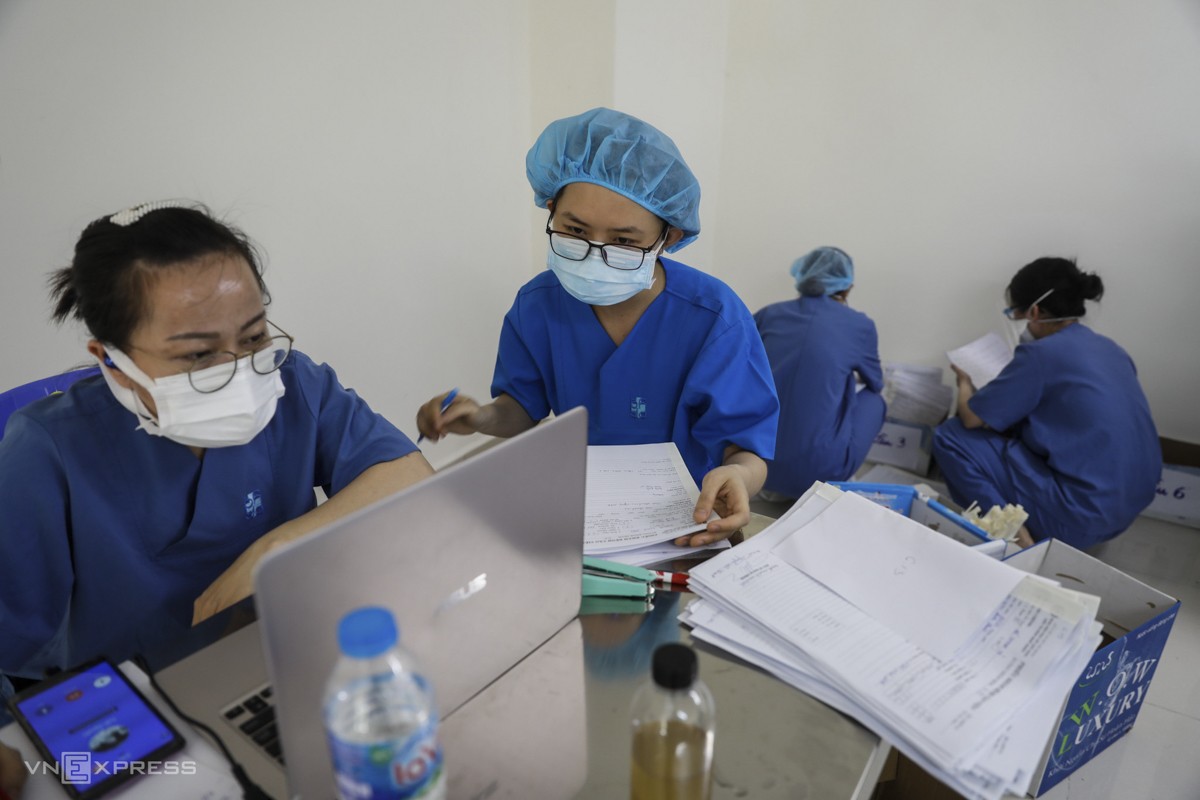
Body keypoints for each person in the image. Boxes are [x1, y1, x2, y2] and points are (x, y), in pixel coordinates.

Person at [0, 202, 433, 698]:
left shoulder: (293, 382)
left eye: (253, 337)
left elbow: (407, 473)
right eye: (199, 355)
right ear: (112, 362)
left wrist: (274, 549)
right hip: (134, 712)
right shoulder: (47, 453)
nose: (241, 370)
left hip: (281, 664)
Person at [416, 108, 778, 545]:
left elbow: (747, 447)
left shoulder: (713, 318)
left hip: (692, 519)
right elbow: (522, 410)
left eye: (625, 241)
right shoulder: (538, 306)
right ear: (551, 208)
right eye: (574, 230)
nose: (595, 253)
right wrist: (481, 417)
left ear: (669, 238)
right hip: (584, 518)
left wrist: (738, 475)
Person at [933, 257, 1160, 549]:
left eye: (1017, 313)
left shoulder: (1041, 355)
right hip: (1126, 510)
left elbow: (972, 418)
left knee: (952, 437)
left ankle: (1014, 538)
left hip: (1082, 518)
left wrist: (965, 383)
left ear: (1035, 312)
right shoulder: (1111, 349)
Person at [753, 247, 886, 500]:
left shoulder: (768, 315)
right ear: (847, 287)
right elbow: (875, 382)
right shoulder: (860, 325)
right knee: (874, 400)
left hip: (753, 463)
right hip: (819, 472)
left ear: (802, 277)